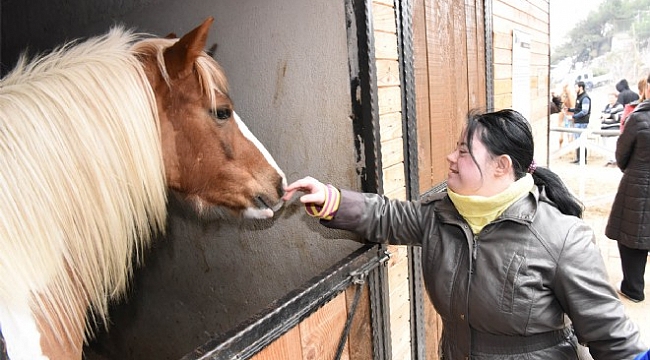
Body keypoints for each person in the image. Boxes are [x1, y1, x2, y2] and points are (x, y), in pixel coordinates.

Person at [283, 109, 646, 360]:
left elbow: (612, 337)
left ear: (501, 166)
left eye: (462, 150)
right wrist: (330, 199)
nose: (449, 157)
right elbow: (388, 215)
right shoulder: (441, 215)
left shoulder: (563, 238)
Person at [606, 73, 650, 304]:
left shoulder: (639, 118)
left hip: (639, 185)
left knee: (633, 236)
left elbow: (621, 155)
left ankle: (633, 288)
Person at [566, 81, 591, 164]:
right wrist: (569, 110)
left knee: (581, 140)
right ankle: (578, 158)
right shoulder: (579, 97)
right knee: (577, 140)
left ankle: (583, 159)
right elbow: (578, 109)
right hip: (578, 122)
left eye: (576, 87)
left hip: (582, 122)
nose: (575, 89)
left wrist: (573, 116)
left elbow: (584, 111)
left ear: (581, 87)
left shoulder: (585, 98)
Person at [599, 92, 624, 167]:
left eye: (612, 98)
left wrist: (609, 115)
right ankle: (609, 160)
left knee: (612, 146)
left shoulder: (619, 106)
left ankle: (615, 161)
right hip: (604, 129)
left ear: (616, 98)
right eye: (609, 97)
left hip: (613, 129)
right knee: (606, 146)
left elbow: (619, 117)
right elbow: (602, 115)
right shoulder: (606, 106)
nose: (610, 99)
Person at [557, 83, 576, 149]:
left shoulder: (571, 98)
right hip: (565, 115)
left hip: (570, 116)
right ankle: (561, 147)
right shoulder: (563, 95)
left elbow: (573, 106)